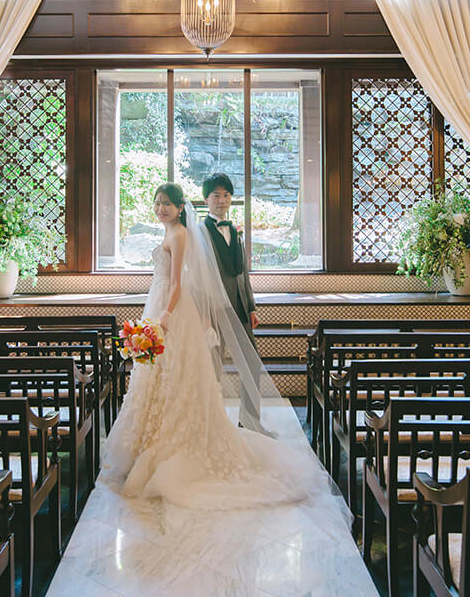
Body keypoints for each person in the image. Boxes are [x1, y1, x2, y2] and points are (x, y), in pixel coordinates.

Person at [99, 183, 335, 511]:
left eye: (167, 203)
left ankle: (210, 431)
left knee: (188, 374)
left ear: (181, 207)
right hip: (165, 305)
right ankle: (150, 441)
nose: (161, 208)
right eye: (157, 203)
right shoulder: (181, 231)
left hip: (177, 309)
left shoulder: (181, 234)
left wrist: (167, 315)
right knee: (164, 377)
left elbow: (195, 279)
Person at [199, 173, 264, 430]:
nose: (222, 200)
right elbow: (196, 275)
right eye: (216, 195)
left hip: (239, 307)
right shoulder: (200, 232)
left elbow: (243, 274)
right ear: (206, 199)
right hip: (213, 310)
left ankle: (249, 421)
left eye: (226, 195)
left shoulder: (235, 230)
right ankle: (212, 424)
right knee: (212, 367)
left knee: (252, 365)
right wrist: (202, 312)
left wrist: (251, 307)